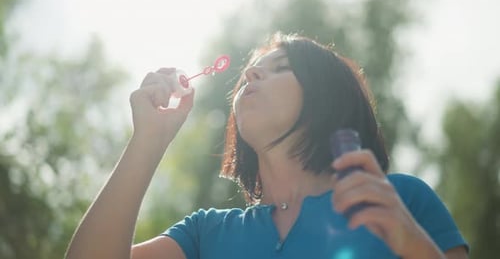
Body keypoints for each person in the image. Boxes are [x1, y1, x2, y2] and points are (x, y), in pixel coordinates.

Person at [65, 33, 469, 259]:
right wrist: (148, 140)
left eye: (281, 67)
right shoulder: (206, 234)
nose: (252, 71)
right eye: (251, 71)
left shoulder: (401, 200)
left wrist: (412, 244)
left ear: (326, 97)